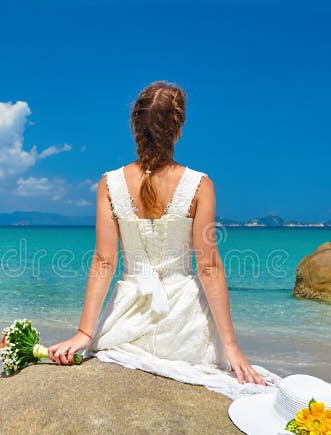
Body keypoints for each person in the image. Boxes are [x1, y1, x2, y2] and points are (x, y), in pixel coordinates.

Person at [48, 81, 277, 397]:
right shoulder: (200, 185)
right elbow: (208, 267)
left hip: (127, 317)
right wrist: (231, 348)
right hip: (184, 322)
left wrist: (85, 332)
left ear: (135, 127)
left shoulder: (109, 183)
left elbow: (104, 261)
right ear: (179, 129)